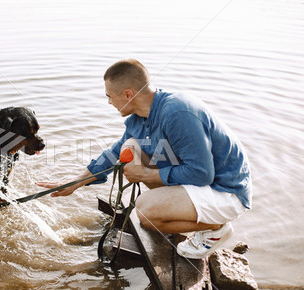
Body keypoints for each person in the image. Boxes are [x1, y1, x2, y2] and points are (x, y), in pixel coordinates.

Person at [36, 59, 252, 259]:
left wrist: (148, 174)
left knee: (145, 212)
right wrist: (75, 183)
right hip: (203, 184)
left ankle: (215, 229)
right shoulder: (139, 119)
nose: (109, 102)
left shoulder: (178, 112)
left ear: (128, 95)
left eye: (109, 96)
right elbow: (113, 154)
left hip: (226, 192)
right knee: (130, 147)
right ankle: (175, 210)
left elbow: (203, 174)